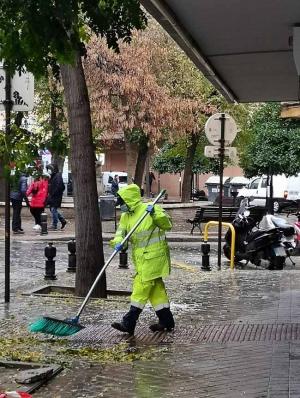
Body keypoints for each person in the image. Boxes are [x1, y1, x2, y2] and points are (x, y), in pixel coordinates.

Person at [110, 184, 175, 335]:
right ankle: (166, 321)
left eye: (122, 203)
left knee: (141, 288)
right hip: (140, 259)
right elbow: (121, 232)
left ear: (129, 200)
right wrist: (119, 242)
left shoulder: (150, 208)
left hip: (154, 257)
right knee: (156, 292)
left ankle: (129, 322)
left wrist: (155, 215)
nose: (121, 207)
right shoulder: (126, 216)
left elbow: (167, 225)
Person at [46, 164, 67, 230]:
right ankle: (62, 220)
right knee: (52, 209)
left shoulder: (58, 176)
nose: (48, 171)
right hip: (53, 196)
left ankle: (54, 225)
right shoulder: (53, 176)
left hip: (56, 196)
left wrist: (54, 193)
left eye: (49, 169)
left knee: (53, 209)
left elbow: (60, 186)